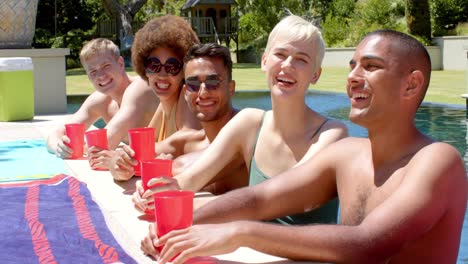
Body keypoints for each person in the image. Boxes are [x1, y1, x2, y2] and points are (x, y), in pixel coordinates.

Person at [144, 29, 468, 264]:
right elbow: (259, 198)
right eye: (353, 65)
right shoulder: (348, 154)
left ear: (410, 84)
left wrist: (239, 233)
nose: (353, 76)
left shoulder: (438, 161)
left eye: (370, 66)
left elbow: (367, 245)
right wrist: (179, 224)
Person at [139, 15, 347, 224]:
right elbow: (189, 180)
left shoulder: (332, 134)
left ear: (315, 75)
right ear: (264, 61)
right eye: (280, 54)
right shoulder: (249, 123)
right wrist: (156, 192)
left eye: (301, 59)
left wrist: (190, 215)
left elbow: (270, 199)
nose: (288, 65)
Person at [129, 43, 248, 213]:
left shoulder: (247, 131)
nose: (203, 92)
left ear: (231, 88)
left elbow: (192, 167)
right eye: (193, 84)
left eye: (213, 81)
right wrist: (121, 168)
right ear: (185, 92)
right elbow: (133, 159)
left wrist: (164, 173)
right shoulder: (187, 141)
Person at [108, 15, 202, 180]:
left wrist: (134, 157)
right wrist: (120, 163)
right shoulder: (164, 105)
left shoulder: (187, 96)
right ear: (144, 69)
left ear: (185, 69)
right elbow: (143, 148)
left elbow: (189, 138)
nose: (162, 74)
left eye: (172, 66)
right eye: (154, 65)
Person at [46, 38, 159, 166]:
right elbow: (56, 134)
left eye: (106, 66)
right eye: (93, 71)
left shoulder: (141, 88)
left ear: (120, 63)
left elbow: (102, 146)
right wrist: (59, 147)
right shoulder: (101, 100)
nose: (100, 75)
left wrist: (80, 147)